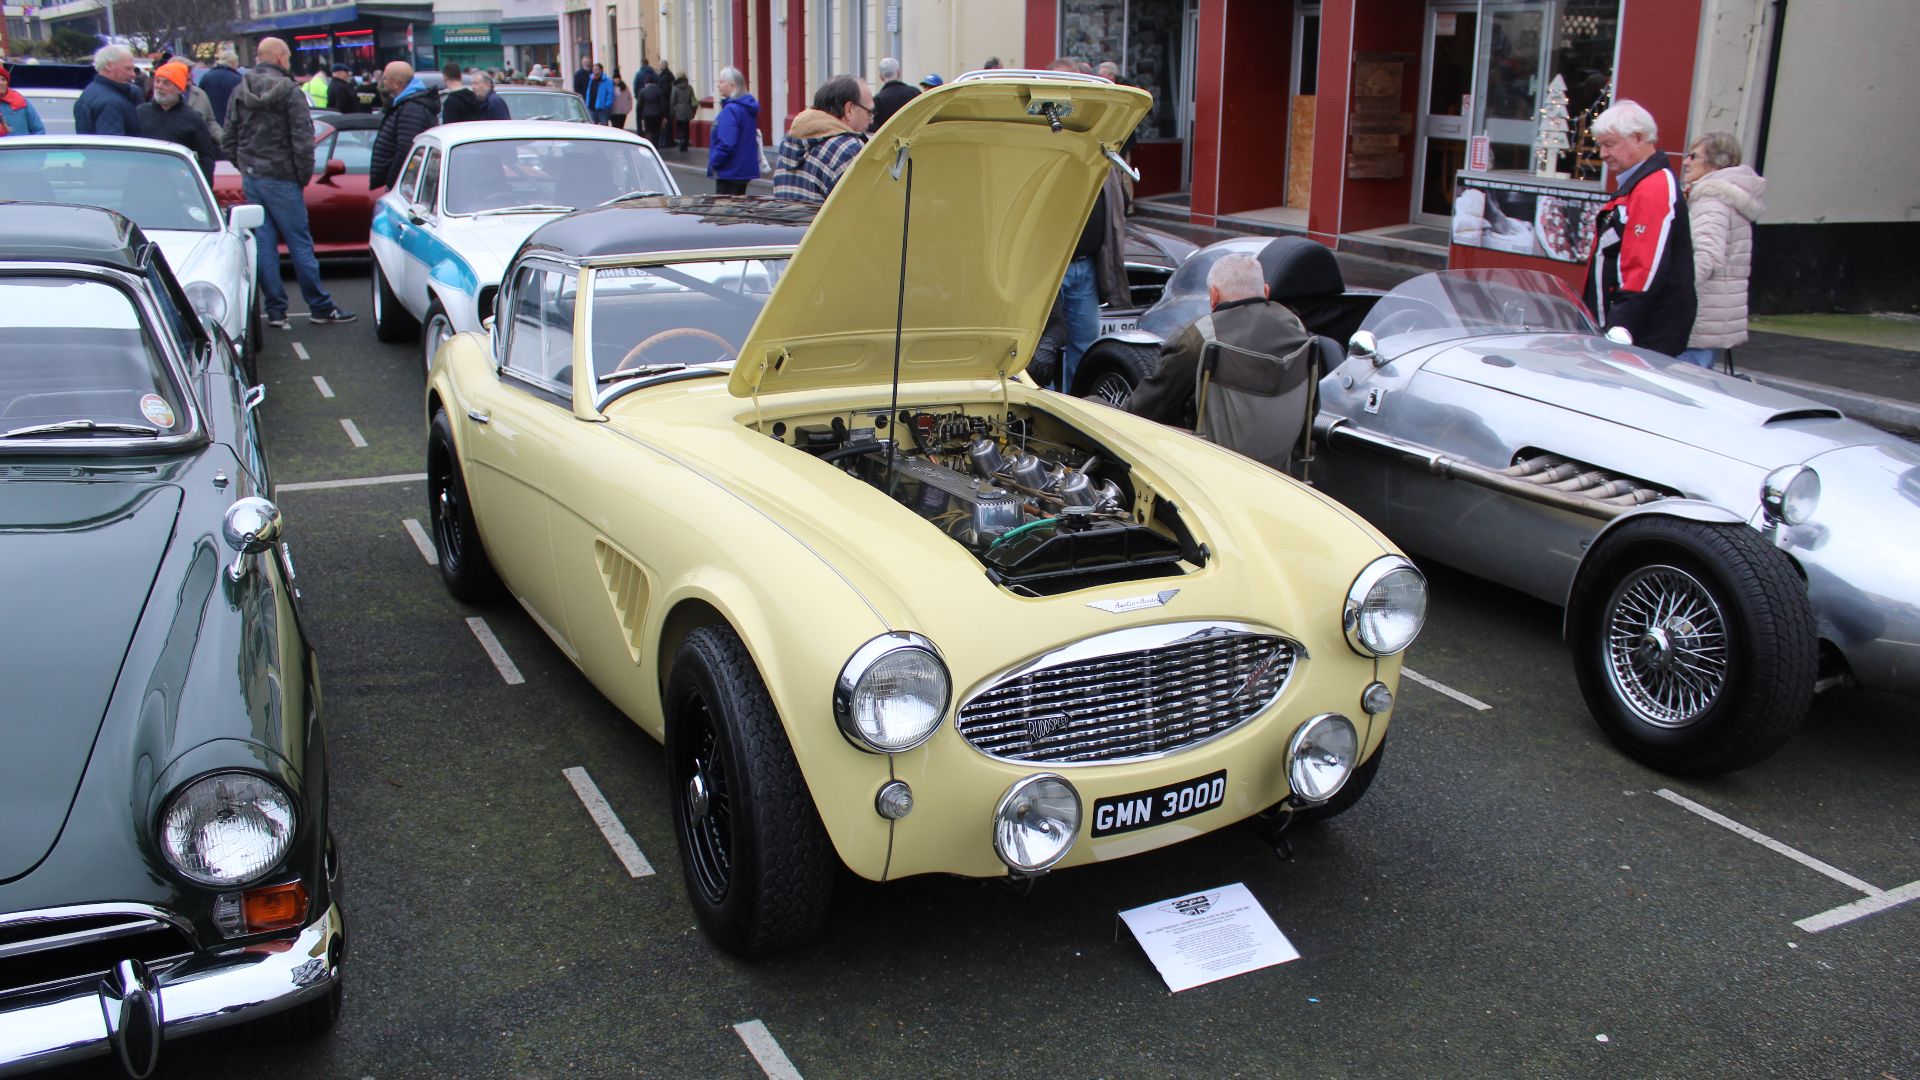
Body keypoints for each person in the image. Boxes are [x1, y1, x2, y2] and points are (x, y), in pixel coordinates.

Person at [1127, 253, 1317, 471]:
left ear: (1213, 295)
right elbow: (1311, 407)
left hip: (1212, 471)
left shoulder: (1201, 337)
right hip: (1279, 469)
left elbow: (1147, 409)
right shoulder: (1297, 328)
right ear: (1265, 291)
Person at [221, 37, 355, 327]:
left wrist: (244, 164)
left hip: (254, 175)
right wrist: (302, 176)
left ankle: (277, 311)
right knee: (299, 243)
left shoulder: (239, 90)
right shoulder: (290, 92)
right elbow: (302, 140)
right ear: (280, 57)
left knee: (265, 244)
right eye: (289, 57)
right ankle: (319, 306)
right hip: (283, 176)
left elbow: (228, 136)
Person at [1583, 99, 1695, 358]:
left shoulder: (1652, 186)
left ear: (1638, 138)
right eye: (1600, 145)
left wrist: (1621, 325)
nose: (1603, 154)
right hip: (1632, 328)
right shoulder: (1640, 182)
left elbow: (1644, 266)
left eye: (1610, 145)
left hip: (1642, 333)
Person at [1677, 131, 1766, 370]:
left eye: (1693, 156)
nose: (1686, 161)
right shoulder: (1729, 197)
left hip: (1702, 317)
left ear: (1716, 163)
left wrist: (1672, 295)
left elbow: (1705, 258)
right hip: (1716, 316)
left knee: (1684, 388)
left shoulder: (1711, 201)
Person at [772, 75, 871, 205]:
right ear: (849, 110)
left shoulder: (791, 141)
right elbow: (866, 210)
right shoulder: (848, 149)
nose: (871, 119)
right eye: (869, 112)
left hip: (791, 224)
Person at [137, 62, 217, 181]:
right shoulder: (141, 112)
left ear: (179, 88)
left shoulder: (193, 118)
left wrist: (199, 186)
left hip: (177, 183)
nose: (159, 86)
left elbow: (205, 157)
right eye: (157, 81)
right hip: (143, 179)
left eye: (166, 83)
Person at [368, 61, 441, 191]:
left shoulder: (411, 108)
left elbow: (406, 149)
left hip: (407, 185)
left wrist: (393, 183)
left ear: (396, 83)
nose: (382, 81)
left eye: (385, 78)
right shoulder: (407, 104)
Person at [706, 66, 760, 195]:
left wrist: (713, 162)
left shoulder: (731, 110)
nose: (718, 86)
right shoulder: (747, 108)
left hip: (729, 172)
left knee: (724, 212)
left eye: (721, 82)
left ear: (732, 85)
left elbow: (726, 144)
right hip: (743, 171)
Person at [75, 45, 143, 136]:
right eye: (128, 68)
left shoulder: (90, 92)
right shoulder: (110, 102)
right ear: (108, 66)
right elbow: (114, 146)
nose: (133, 74)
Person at [869, 57, 918, 132]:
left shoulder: (878, 99)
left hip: (888, 142)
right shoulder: (915, 93)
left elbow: (872, 128)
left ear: (881, 76)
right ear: (899, 73)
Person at [0, 63, 48, 136]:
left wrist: (30, 146)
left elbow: (39, 130)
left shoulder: (20, 101)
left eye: (3, 79)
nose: (1, 83)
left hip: (19, 146)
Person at [202, 48, 243, 125]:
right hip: (233, 125)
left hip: (212, 125)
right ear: (233, 63)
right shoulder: (239, 79)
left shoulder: (207, 77)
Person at [636, 72, 667, 145]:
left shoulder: (642, 92)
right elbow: (663, 105)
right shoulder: (659, 91)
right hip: (658, 115)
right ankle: (656, 146)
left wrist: (639, 118)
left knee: (648, 131)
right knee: (656, 131)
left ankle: (650, 145)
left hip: (647, 115)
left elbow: (639, 106)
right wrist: (664, 116)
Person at [670, 73, 695, 151]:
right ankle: (686, 145)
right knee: (686, 128)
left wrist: (671, 113)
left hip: (678, 110)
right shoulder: (689, 88)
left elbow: (672, 101)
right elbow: (693, 99)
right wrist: (693, 110)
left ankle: (681, 144)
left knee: (680, 128)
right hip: (688, 109)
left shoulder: (675, 88)